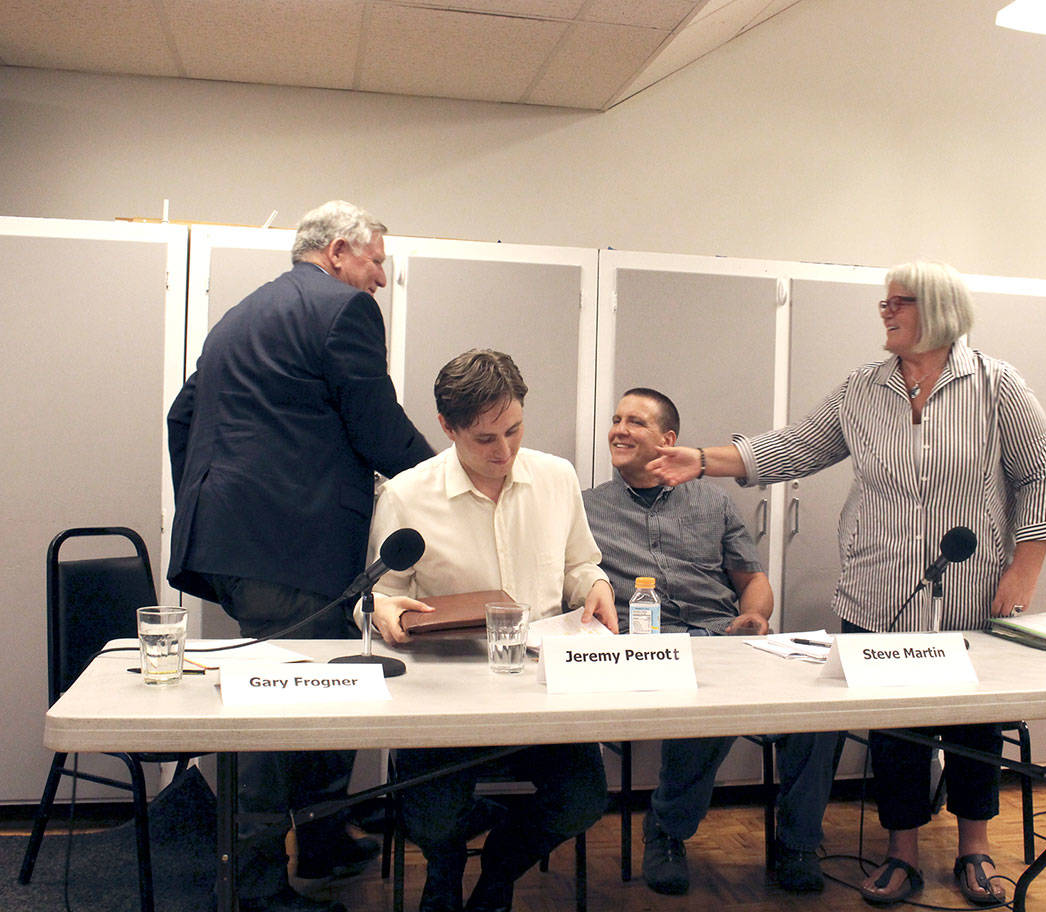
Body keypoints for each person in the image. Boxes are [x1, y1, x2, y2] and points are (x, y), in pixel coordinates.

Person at [647, 260, 1046, 907]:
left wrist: (1026, 565)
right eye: (885, 301)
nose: (885, 311)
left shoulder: (995, 384)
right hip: (880, 591)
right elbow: (793, 447)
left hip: (973, 592)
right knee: (896, 730)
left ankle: (974, 851)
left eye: (899, 302)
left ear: (938, 310)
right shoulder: (862, 390)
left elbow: (1042, 471)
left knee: (973, 727)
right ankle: (900, 856)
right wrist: (703, 460)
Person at [167, 200, 434, 912]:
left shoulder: (241, 316)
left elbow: (182, 416)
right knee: (279, 719)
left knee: (328, 690)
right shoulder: (343, 311)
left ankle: (323, 838)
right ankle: (252, 890)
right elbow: (377, 426)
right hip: (294, 545)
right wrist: (449, 487)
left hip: (242, 544)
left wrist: (210, 510)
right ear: (341, 251)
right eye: (377, 260)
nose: (380, 278)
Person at [367, 348, 615, 912]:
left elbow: (580, 565)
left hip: (541, 689)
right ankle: (445, 862)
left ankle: (499, 869)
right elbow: (377, 596)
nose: (504, 451)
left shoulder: (556, 477)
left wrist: (594, 586)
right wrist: (383, 613)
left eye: (514, 430)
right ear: (447, 428)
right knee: (429, 820)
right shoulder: (408, 494)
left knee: (582, 801)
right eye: (484, 439)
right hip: (448, 693)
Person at [582, 388, 841, 896]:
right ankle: (669, 830)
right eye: (616, 419)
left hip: (725, 638)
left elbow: (752, 579)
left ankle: (796, 841)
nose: (618, 429)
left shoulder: (713, 499)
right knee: (707, 698)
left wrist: (755, 614)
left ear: (667, 439)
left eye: (634, 421)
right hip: (647, 649)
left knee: (822, 706)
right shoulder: (587, 508)